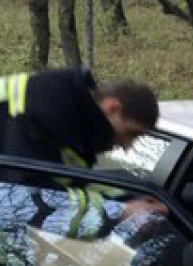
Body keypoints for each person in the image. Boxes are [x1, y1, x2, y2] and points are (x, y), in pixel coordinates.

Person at [0, 66, 166, 230]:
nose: (126, 146)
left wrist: (132, 197)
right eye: (131, 133)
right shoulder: (43, 112)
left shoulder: (70, 122)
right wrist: (120, 210)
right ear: (112, 108)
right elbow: (28, 197)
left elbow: (74, 183)